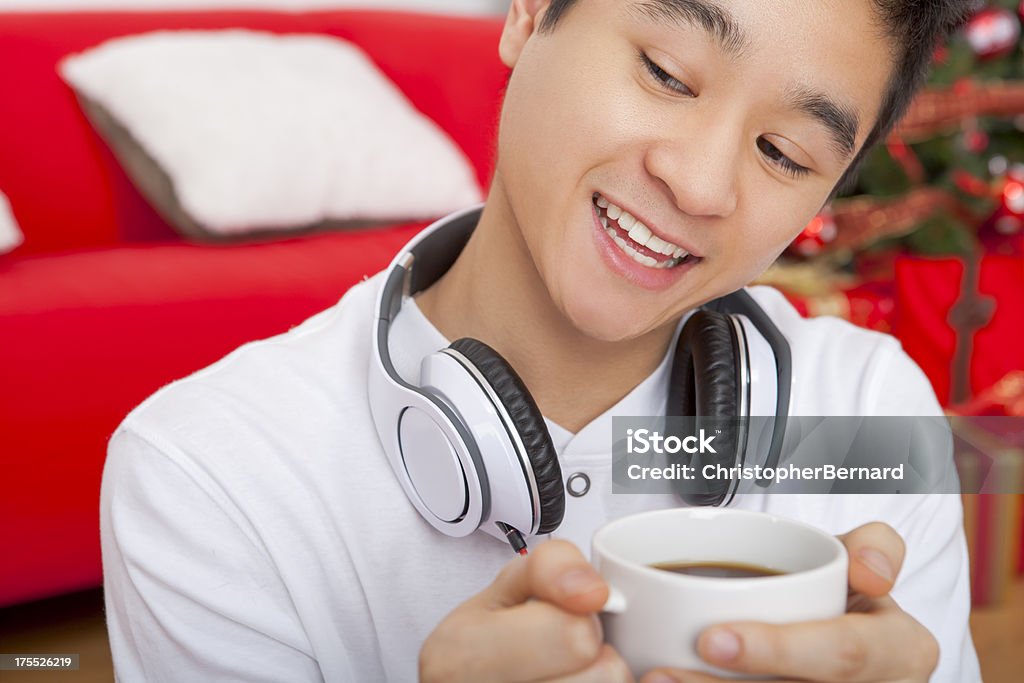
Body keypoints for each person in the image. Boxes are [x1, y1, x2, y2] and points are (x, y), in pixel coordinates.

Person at [100, 0, 982, 681]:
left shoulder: (866, 413)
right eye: (668, 73)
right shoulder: (204, 472)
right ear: (528, 11)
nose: (703, 183)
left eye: (785, 154)